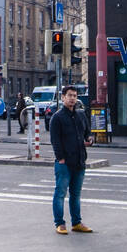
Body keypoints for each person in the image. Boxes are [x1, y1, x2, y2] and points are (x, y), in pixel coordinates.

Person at [51, 84, 94, 234]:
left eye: (75, 96)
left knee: (76, 194)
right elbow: (55, 141)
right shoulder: (57, 117)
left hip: (79, 161)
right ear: (63, 97)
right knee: (60, 193)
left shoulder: (81, 115)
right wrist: (60, 159)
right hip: (64, 163)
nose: (72, 99)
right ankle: (60, 223)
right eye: (69, 95)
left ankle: (76, 222)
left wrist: (90, 139)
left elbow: (88, 133)